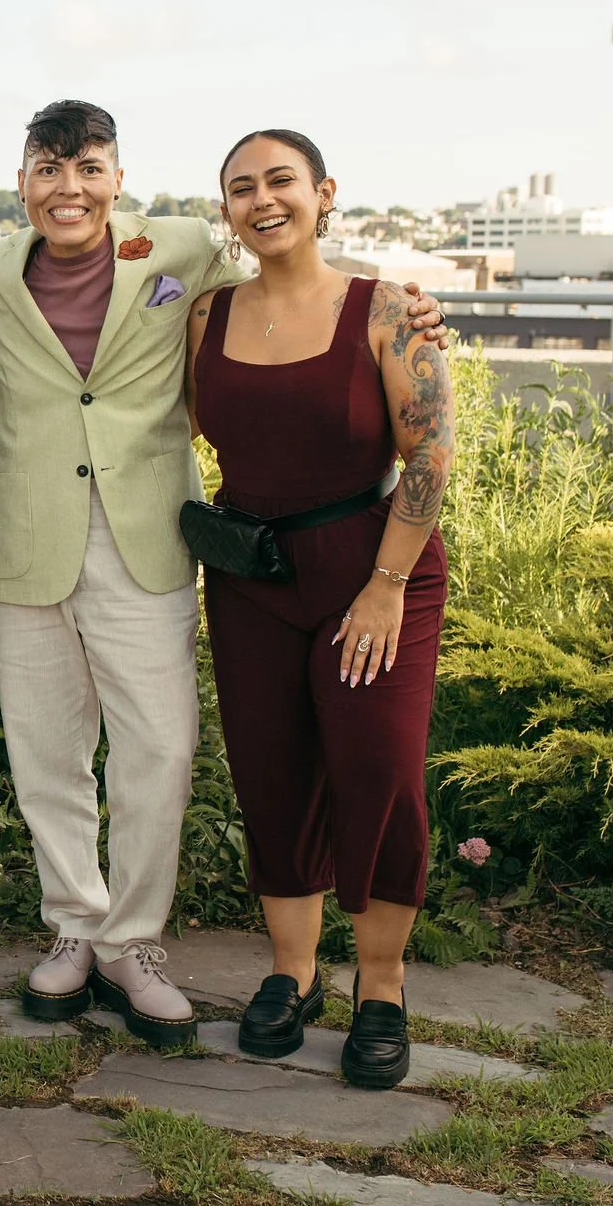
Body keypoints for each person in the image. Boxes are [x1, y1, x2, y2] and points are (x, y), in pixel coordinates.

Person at [0, 101, 447, 1045]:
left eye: (90, 168)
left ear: (118, 176)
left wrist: (418, 306)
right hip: (60, 541)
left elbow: (402, 415)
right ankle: (81, 927)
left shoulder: (184, 251)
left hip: (179, 539)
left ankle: (146, 943)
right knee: (60, 753)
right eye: (48, 170)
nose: (70, 188)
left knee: (173, 749)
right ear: (22, 180)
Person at [187, 129, 452, 1088]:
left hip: (371, 568)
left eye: (281, 181)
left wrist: (385, 584)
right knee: (271, 769)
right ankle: (291, 973)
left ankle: (378, 984)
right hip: (250, 569)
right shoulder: (204, 316)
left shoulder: (386, 310)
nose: (263, 200)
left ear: (323, 192)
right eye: (241, 187)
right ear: (225, 209)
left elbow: (428, 455)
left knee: (377, 768)